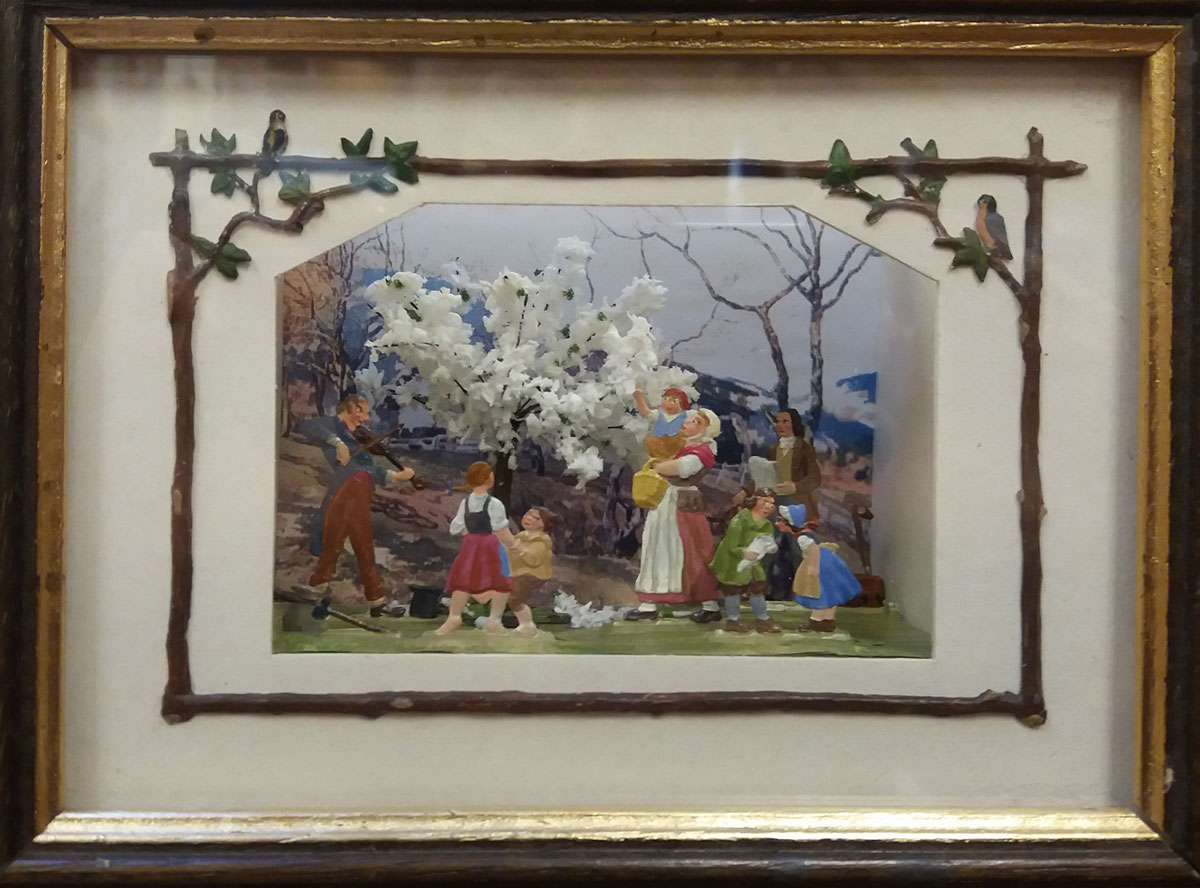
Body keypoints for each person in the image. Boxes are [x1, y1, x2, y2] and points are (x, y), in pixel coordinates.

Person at [299, 394, 413, 618]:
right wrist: (337, 442)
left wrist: (395, 476)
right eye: (365, 412)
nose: (367, 419)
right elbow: (307, 426)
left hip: (359, 489)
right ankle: (370, 597)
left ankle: (327, 586)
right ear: (353, 409)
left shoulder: (357, 436)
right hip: (347, 488)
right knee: (350, 539)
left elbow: (366, 469)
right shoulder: (332, 425)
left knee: (358, 541)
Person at [627, 408, 722, 622]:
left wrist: (659, 465)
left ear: (706, 430)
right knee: (658, 548)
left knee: (690, 551)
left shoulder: (702, 452)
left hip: (681, 505)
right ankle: (651, 602)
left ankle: (708, 604)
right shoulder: (685, 448)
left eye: (695, 422)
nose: (687, 424)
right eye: (689, 420)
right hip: (665, 504)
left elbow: (677, 469)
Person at [736, 408, 823, 600]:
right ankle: (758, 589)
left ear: (794, 424)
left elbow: (815, 478)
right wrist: (745, 491)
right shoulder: (773, 449)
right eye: (778, 421)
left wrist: (795, 486)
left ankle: (805, 592)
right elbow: (763, 476)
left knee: (800, 548)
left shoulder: (804, 449)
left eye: (785, 421)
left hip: (796, 504)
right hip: (774, 504)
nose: (780, 425)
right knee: (764, 544)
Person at [436, 462, 518, 636]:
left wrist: (468, 531)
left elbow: (455, 528)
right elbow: (502, 531)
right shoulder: (494, 504)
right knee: (501, 580)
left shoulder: (466, 502)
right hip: (490, 546)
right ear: (488, 479)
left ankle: (454, 617)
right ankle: (494, 620)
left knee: (464, 579)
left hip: (470, 546)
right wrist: (515, 546)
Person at [777, 504, 861, 633]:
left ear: (788, 523)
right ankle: (828, 620)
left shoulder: (802, 538)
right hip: (828, 562)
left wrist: (813, 567)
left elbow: (814, 550)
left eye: (780, 521)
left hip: (820, 564)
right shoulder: (805, 534)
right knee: (830, 592)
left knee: (818, 592)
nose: (777, 524)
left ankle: (816, 621)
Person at [707, 489, 782, 633]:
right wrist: (744, 552)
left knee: (757, 589)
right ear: (754, 501)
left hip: (753, 563)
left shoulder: (766, 524)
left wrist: (770, 547)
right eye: (765, 502)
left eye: (772, 504)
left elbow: (767, 540)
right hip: (733, 562)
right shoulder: (739, 522)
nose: (769, 506)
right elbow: (731, 546)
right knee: (733, 591)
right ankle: (733, 620)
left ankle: (762, 619)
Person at [507, 507, 556, 637]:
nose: (528, 518)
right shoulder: (521, 536)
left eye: (536, 518)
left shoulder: (542, 541)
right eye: (527, 514)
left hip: (533, 574)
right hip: (517, 571)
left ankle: (527, 624)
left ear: (543, 524)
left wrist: (520, 551)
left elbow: (534, 560)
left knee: (514, 597)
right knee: (509, 596)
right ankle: (524, 624)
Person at [633, 386, 690, 460]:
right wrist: (639, 398)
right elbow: (645, 411)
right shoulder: (658, 415)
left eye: (674, 401)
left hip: (678, 450)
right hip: (658, 448)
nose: (668, 403)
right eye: (665, 399)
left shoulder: (686, 417)